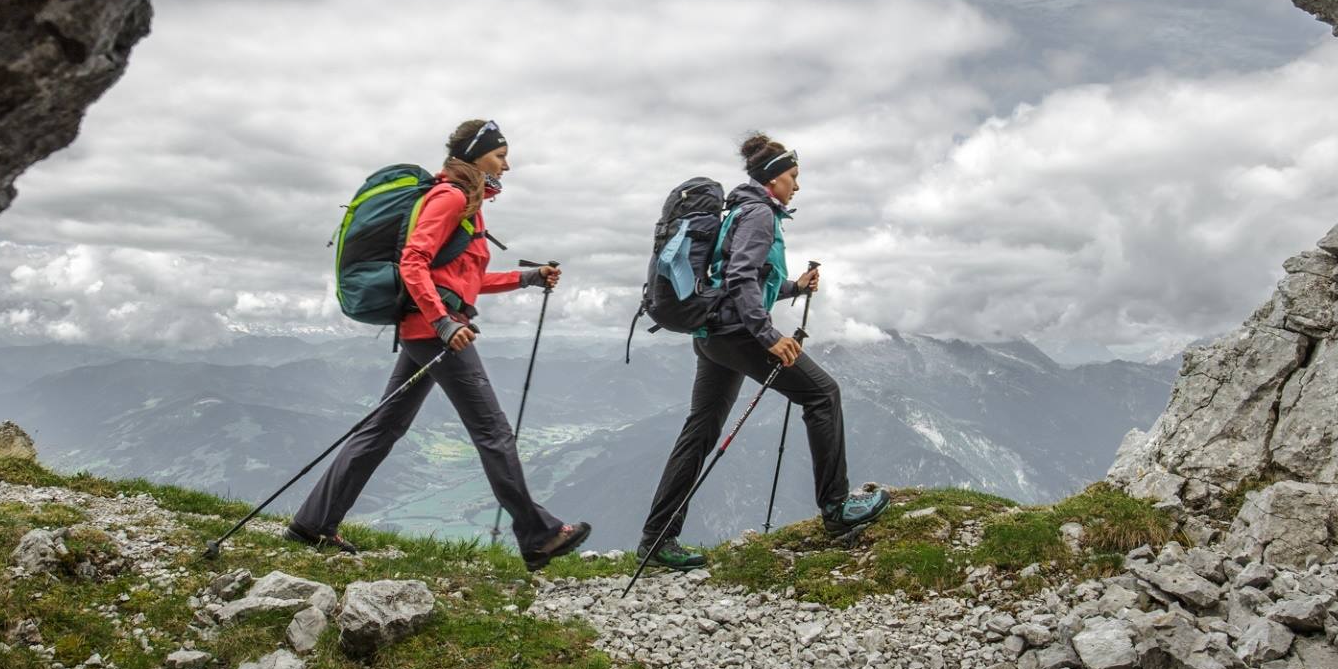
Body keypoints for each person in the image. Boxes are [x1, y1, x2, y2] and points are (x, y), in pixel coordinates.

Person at [288, 119, 591, 570]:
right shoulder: (450, 197)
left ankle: (312, 524)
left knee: (382, 429)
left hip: (427, 331)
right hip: (437, 334)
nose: (508, 164)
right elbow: (414, 261)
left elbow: (464, 280)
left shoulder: (469, 202)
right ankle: (538, 533)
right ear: (475, 155)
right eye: (500, 155)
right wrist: (444, 323)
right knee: (493, 433)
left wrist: (526, 277)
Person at [636, 133, 888, 570]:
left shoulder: (737, 210)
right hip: (740, 334)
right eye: (793, 177)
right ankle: (837, 508)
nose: (797, 186)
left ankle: (656, 539)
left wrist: (793, 288)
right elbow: (740, 278)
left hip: (712, 335)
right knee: (822, 394)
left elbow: (738, 275)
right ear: (773, 180)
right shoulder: (759, 215)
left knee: (700, 430)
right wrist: (768, 334)